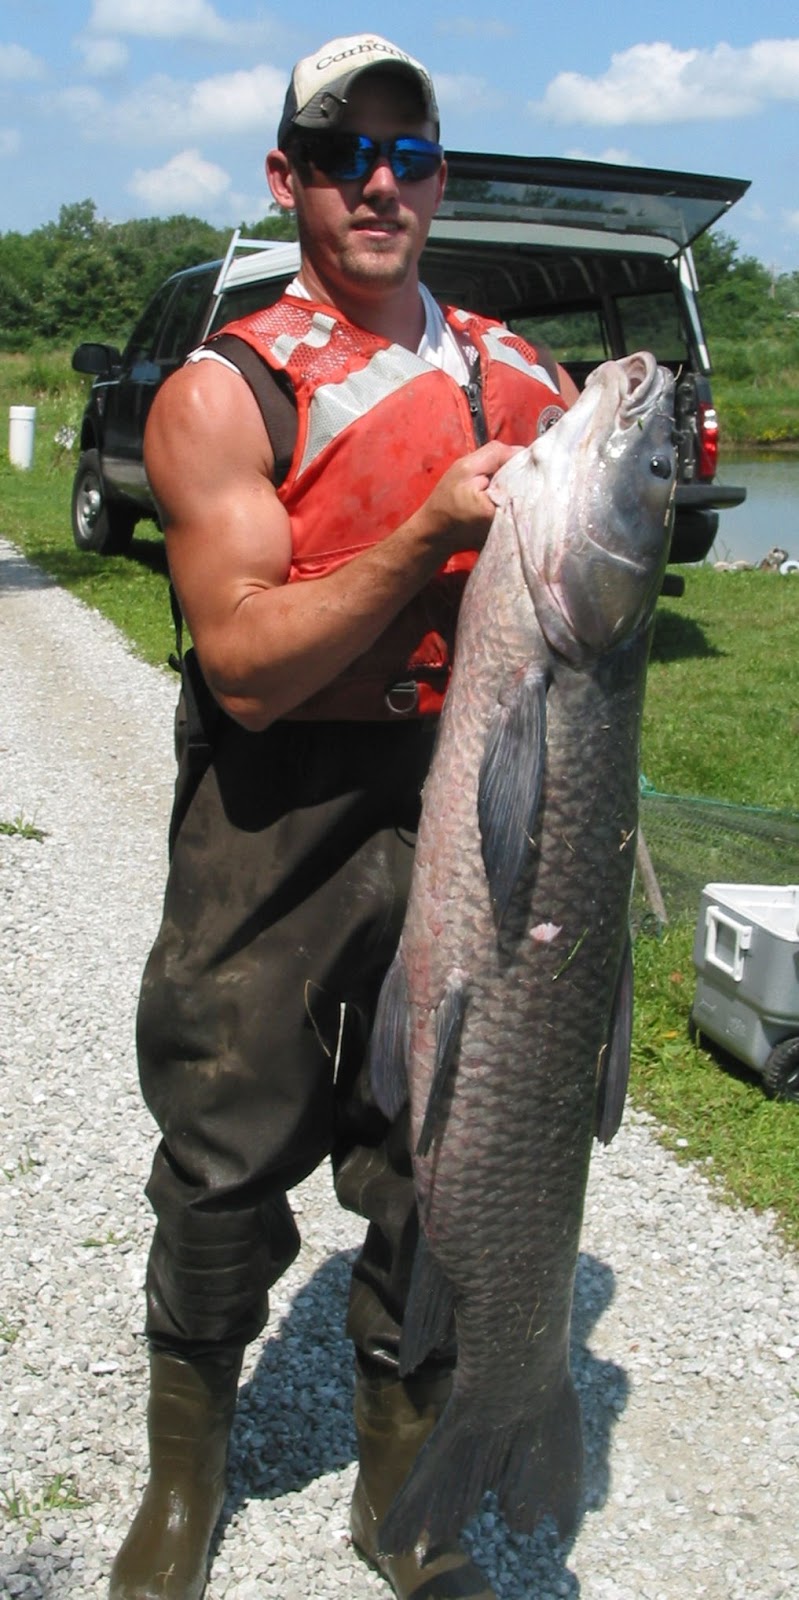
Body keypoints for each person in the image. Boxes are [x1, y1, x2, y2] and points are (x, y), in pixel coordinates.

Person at [109, 33, 577, 1600]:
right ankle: (189, 1471)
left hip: (474, 785)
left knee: (452, 1130)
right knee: (224, 1129)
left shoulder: (529, 380)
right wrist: (429, 535)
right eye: (341, 152)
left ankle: (405, 1477)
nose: (380, 184)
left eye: (410, 153)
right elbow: (243, 669)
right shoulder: (227, 388)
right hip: (281, 797)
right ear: (288, 176)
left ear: (443, 176)